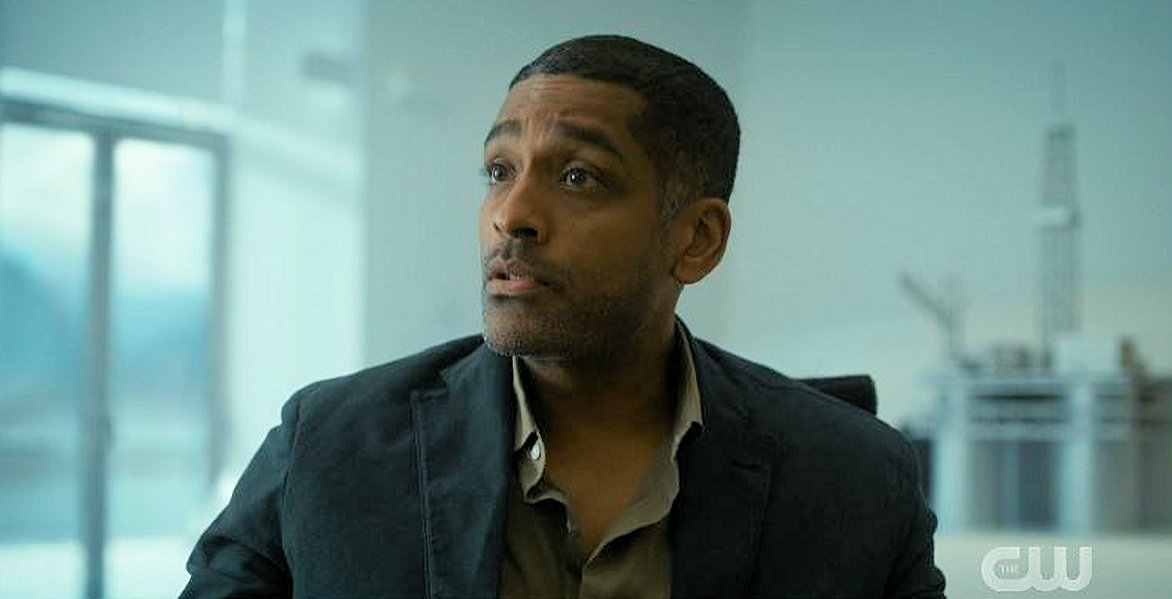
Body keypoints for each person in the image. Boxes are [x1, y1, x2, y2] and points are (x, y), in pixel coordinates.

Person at [181, 35, 947, 599]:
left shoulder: (854, 478)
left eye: (579, 176)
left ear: (696, 239)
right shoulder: (327, 445)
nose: (510, 214)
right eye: (499, 170)